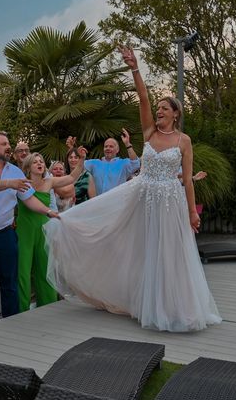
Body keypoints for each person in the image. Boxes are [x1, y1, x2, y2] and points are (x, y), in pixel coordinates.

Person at [44, 47, 221, 332]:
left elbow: (187, 180)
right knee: (139, 248)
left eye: (165, 108)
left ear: (175, 114)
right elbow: (143, 98)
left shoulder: (183, 141)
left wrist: (192, 212)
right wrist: (134, 67)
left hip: (171, 202)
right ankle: (144, 302)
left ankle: (178, 309)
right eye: (159, 108)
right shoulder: (150, 133)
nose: (159, 111)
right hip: (142, 196)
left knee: (171, 253)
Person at [0, 131, 59, 329]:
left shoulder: (16, 172)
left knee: (9, 278)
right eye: (4, 144)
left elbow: (30, 199)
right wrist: (8, 184)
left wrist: (49, 211)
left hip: (5, 234)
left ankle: (9, 319)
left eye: (8, 143)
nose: (9, 147)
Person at [17, 150, 86, 312]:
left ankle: (47, 307)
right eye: (35, 162)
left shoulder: (49, 182)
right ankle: (21, 309)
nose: (40, 163)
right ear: (28, 167)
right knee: (23, 271)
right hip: (25, 230)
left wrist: (82, 159)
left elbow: (71, 178)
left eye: (41, 161)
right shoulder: (22, 183)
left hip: (43, 228)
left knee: (44, 269)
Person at [67, 129, 139, 195]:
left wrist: (127, 144)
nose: (108, 148)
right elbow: (76, 165)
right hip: (98, 203)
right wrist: (71, 149)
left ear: (117, 150)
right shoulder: (95, 163)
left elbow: (135, 163)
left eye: (111, 146)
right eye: (106, 146)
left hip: (117, 202)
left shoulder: (123, 163)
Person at [13, 141, 58, 212]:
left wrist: (54, 215)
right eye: (20, 151)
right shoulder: (12, 173)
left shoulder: (42, 172)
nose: (24, 153)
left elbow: (50, 197)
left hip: (43, 215)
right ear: (14, 156)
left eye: (26, 150)